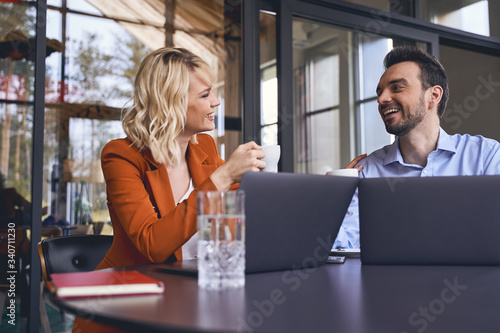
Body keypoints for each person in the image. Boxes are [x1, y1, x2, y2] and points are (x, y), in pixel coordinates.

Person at [73, 47, 265, 333]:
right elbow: (153, 244)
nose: (216, 101)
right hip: (124, 308)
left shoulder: (206, 150)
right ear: (170, 103)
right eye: (205, 95)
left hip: (187, 300)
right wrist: (223, 176)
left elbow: (247, 207)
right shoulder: (121, 156)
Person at [334, 46, 500, 249]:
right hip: (388, 281)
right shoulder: (366, 171)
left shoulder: (486, 157)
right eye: (380, 92)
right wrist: (333, 195)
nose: (382, 99)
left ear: (434, 96)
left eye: (396, 88)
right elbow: (340, 246)